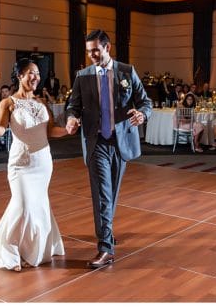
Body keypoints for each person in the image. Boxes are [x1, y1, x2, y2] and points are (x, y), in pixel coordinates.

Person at [65, 29, 152, 269]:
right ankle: (105, 248)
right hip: (96, 141)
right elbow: (73, 106)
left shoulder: (126, 71)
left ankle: (106, 232)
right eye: (88, 51)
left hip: (121, 141)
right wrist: (71, 118)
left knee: (111, 194)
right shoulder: (82, 76)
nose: (92, 54)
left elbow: (145, 101)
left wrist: (142, 115)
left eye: (96, 49)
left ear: (107, 47)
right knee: (102, 193)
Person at [0, 58, 68, 270]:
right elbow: (1, 130)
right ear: (20, 76)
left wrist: (69, 130)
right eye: (31, 73)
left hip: (43, 163)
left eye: (37, 73)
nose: (36, 77)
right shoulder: (8, 102)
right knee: (22, 206)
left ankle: (34, 250)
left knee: (38, 206)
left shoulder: (42, 103)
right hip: (21, 164)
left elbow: (50, 130)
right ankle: (9, 252)